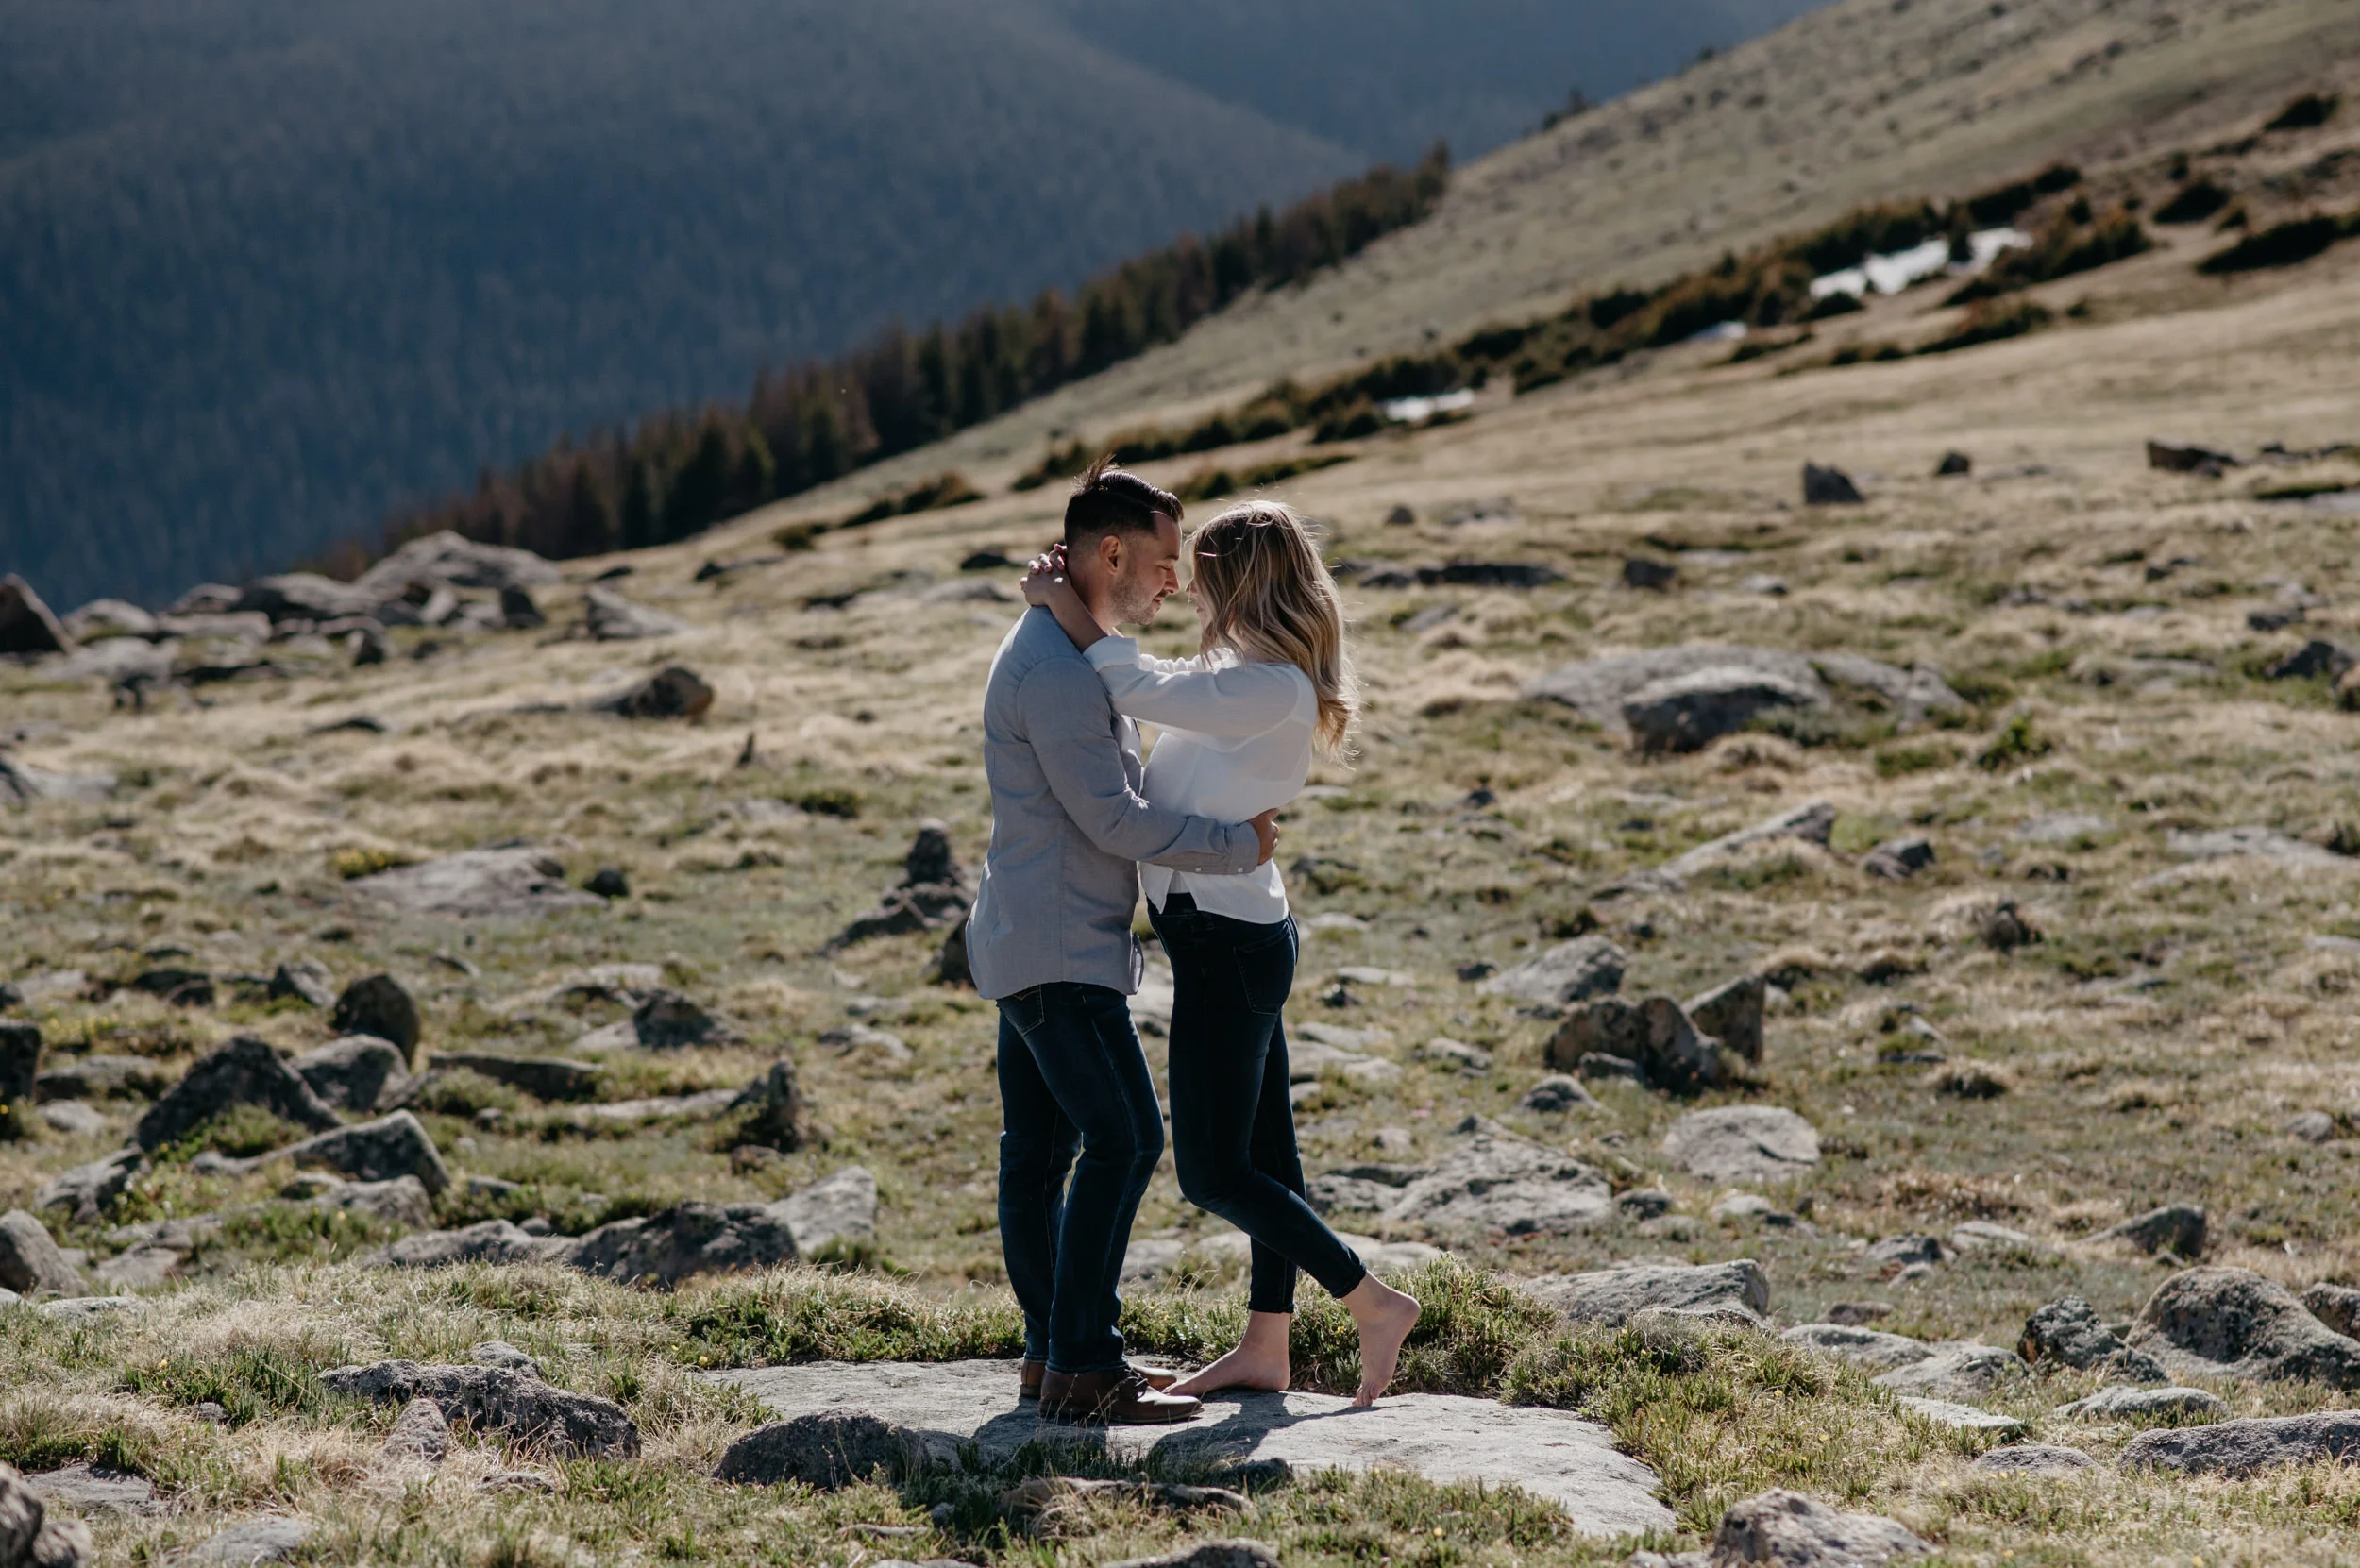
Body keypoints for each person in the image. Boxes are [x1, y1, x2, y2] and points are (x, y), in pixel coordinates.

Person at [1021, 497, 1423, 1408]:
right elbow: (1162, 674)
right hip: (1232, 933)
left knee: (1212, 1171)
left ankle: (1369, 1299)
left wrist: (1060, 604)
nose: (1188, 589)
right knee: (1267, 1156)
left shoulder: (1267, 683)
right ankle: (1265, 1347)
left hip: (1226, 945)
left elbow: (1134, 684)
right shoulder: (1246, 668)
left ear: (1243, 583)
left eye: (1203, 576)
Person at [967, 459, 1281, 1426]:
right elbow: (1114, 819)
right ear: (1111, 551)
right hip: (1059, 949)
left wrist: (1064, 608)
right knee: (1127, 1136)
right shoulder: (1058, 673)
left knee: (1040, 1149)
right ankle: (1087, 1363)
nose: (1176, 581)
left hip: (1031, 935)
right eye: (1161, 558)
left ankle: (1048, 1357)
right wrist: (1238, 847)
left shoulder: (1055, 643)